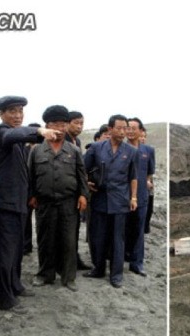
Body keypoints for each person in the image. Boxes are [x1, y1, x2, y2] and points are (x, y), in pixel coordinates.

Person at [0, 95, 60, 313]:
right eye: (12, 111)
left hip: (18, 205)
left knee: (17, 251)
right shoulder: (1, 132)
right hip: (2, 206)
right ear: (2, 114)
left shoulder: (18, 144)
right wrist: (38, 131)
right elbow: (14, 134)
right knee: (3, 254)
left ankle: (16, 286)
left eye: (20, 111)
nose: (17, 115)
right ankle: (4, 300)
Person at [29, 106, 89, 292]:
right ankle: (45, 274)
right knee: (45, 239)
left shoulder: (74, 150)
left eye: (63, 125)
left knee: (69, 241)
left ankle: (68, 277)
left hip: (68, 203)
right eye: (55, 124)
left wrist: (83, 195)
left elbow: (82, 176)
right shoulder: (37, 150)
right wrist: (31, 195)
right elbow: (30, 176)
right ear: (47, 126)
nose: (60, 128)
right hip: (44, 203)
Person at [84, 114, 138, 288]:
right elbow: (82, 169)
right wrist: (86, 183)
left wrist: (134, 197)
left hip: (120, 200)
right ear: (110, 129)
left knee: (117, 239)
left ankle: (116, 275)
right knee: (97, 236)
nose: (123, 132)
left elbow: (133, 177)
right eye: (120, 128)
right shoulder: (96, 148)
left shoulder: (131, 151)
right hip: (99, 198)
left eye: (126, 128)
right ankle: (98, 268)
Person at [125, 117, 155, 277]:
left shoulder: (148, 151)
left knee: (138, 231)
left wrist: (147, 183)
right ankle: (122, 257)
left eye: (133, 128)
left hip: (141, 197)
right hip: (122, 197)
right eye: (127, 128)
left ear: (141, 131)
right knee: (122, 230)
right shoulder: (120, 148)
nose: (129, 131)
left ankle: (137, 263)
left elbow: (149, 173)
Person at [64, 110, 91, 270]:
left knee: (74, 229)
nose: (80, 126)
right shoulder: (63, 141)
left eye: (82, 123)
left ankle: (75, 258)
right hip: (65, 191)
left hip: (77, 192)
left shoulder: (78, 142)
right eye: (77, 122)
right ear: (67, 123)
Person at [23, 122, 41, 256]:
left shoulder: (43, 149)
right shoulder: (24, 149)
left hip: (41, 190)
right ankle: (26, 245)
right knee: (26, 220)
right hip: (26, 190)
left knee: (42, 222)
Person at [139, 128, 155, 234]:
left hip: (147, 188)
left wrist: (148, 181)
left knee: (148, 210)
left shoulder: (149, 150)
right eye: (141, 136)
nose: (143, 139)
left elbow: (151, 170)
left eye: (144, 136)